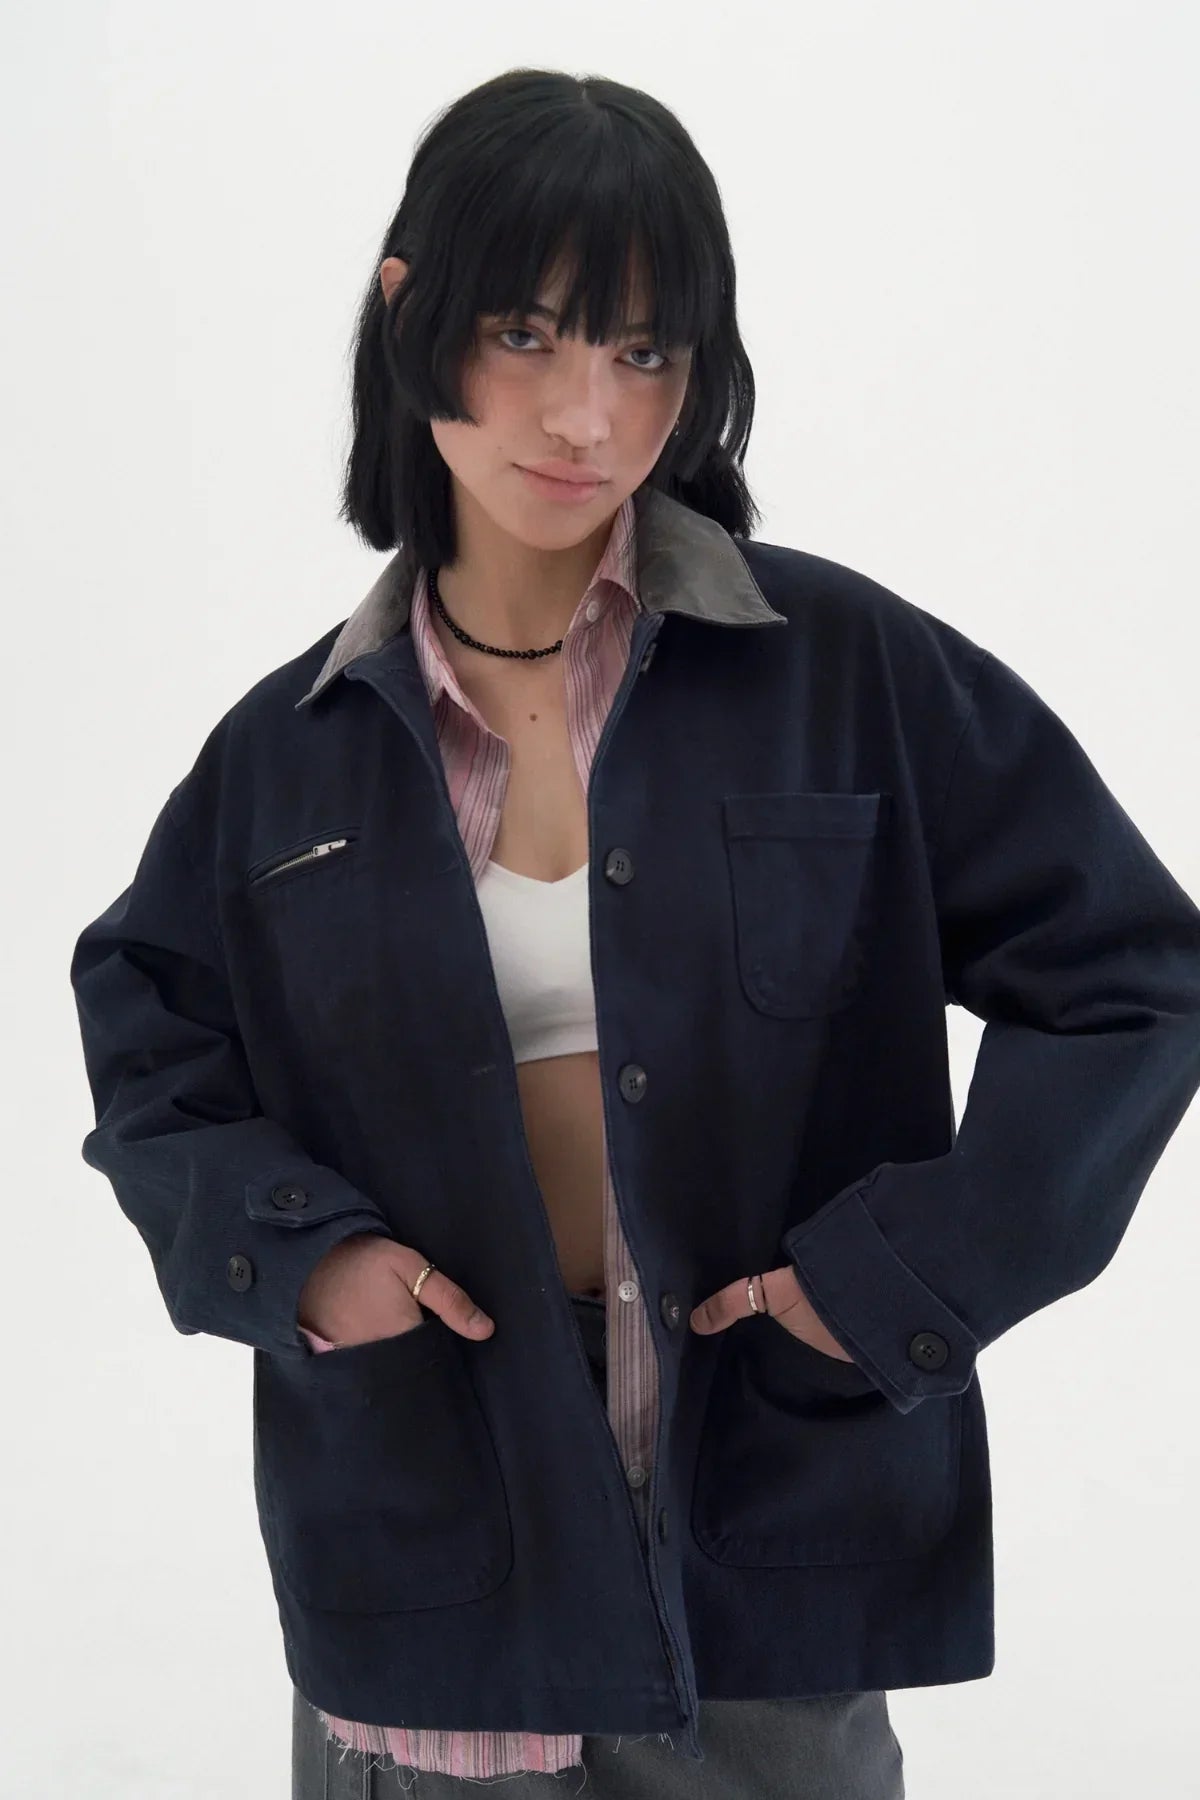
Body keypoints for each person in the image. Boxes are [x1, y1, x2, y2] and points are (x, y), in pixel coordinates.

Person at [69, 66, 1200, 1800]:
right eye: (526, 332)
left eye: (645, 351)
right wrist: (293, 1256)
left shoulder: (843, 677)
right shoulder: (283, 755)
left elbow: (1135, 978)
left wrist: (899, 1280)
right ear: (409, 315)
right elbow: (148, 1036)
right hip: (429, 1580)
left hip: (764, 1552)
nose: (586, 414)